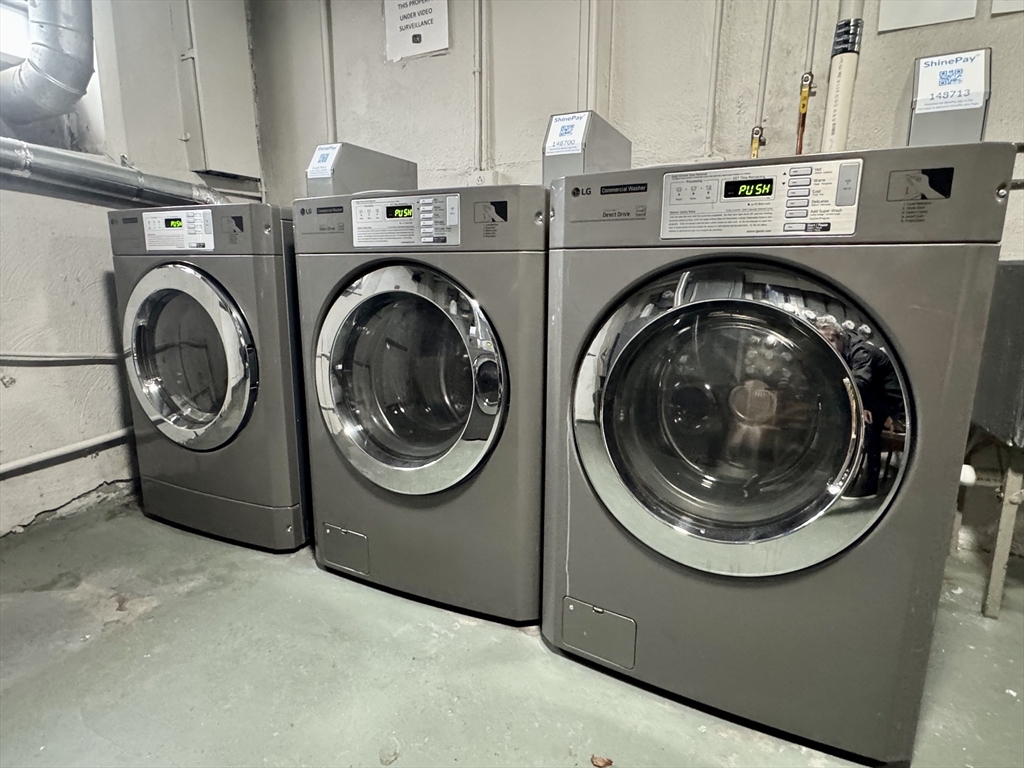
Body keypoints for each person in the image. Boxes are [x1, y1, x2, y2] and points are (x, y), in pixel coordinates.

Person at [815, 315, 903, 496]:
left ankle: (870, 486)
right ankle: (836, 477)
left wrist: (861, 407)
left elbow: (861, 381)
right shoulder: (841, 349)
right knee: (840, 424)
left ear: (838, 337)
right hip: (870, 395)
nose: (827, 346)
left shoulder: (860, 350)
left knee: (869, 430)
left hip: (890, 399)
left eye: (830, 341)